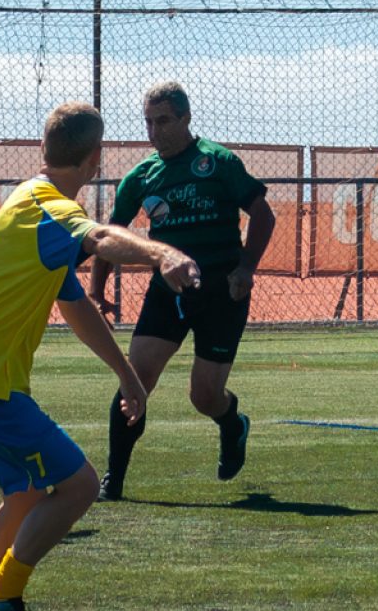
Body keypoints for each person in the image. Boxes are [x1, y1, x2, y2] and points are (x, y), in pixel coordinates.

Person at [0, 102, 200, 611]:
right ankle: (2, 600)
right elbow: (102, 239)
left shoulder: (28, 203)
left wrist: (128, 376)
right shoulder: (50, 210)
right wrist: (163, 255)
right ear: (95, 159)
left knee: (25, 495)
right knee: (78, 484)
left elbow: (76, 307)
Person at [89, 81, 275, 501]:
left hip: (222, 295)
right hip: (168, 292)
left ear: (187, 119)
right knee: (136, 378)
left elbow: (263, 214)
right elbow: (107, 236)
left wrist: (246, 267)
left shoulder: (218, 162)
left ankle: (231, 422)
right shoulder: (141, 177)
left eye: (165, 121)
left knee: (204, 396)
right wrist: (97, 290)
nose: (156, 132)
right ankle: (113, 479)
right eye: (149, 123)